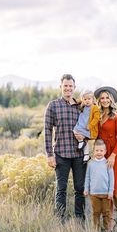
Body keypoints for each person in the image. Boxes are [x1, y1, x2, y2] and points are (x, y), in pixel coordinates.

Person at [44, 74, 86, 221]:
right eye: (65, 86)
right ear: (61, 87)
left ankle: (80, 219)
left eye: (70, 86)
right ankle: (59, 219)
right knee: (61, 189)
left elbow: (89, 126)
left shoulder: (81, 106)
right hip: (61, 153)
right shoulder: (53, 105)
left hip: (79, 154)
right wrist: (49, 154)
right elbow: (47, 130)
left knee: (79, 189)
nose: (68, 88)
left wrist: (85, 137)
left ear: (74, 88)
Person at [94, 86, 117, 231]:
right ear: (99, 101)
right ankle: (110, 219)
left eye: (107, 98)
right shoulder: (98, 116)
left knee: (114, 190)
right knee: (106, 189)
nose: (105, 100)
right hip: (102, 156)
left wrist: (113, 155)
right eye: (102, 98)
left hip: (114, 156)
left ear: (111, 100)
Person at [84, 139, 114, 231]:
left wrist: (110, 191)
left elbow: (111, 179)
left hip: (105, 193)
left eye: (101, 150)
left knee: (106, 212)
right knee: (96, 212)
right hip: (94, 193)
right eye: (97, 150)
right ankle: (96, 230)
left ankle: (107, 230)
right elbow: (88, 177)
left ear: (105, 151)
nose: (99, 152)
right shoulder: (90, 164)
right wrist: (86, 189)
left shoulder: (107, 163)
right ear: (93, 151)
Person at [73, 90, 100, 163]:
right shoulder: (83, 106)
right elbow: (77, 101)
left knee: (85, 139)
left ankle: (86, 154)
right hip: (81, 124)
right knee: (75, 131)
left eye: (89, 99)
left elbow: (96, 118)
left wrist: (90, 126)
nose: (87, 101)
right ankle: (82, 144)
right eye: (85, 99)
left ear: (92, 99)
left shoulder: (94, 107)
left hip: (88, 127)